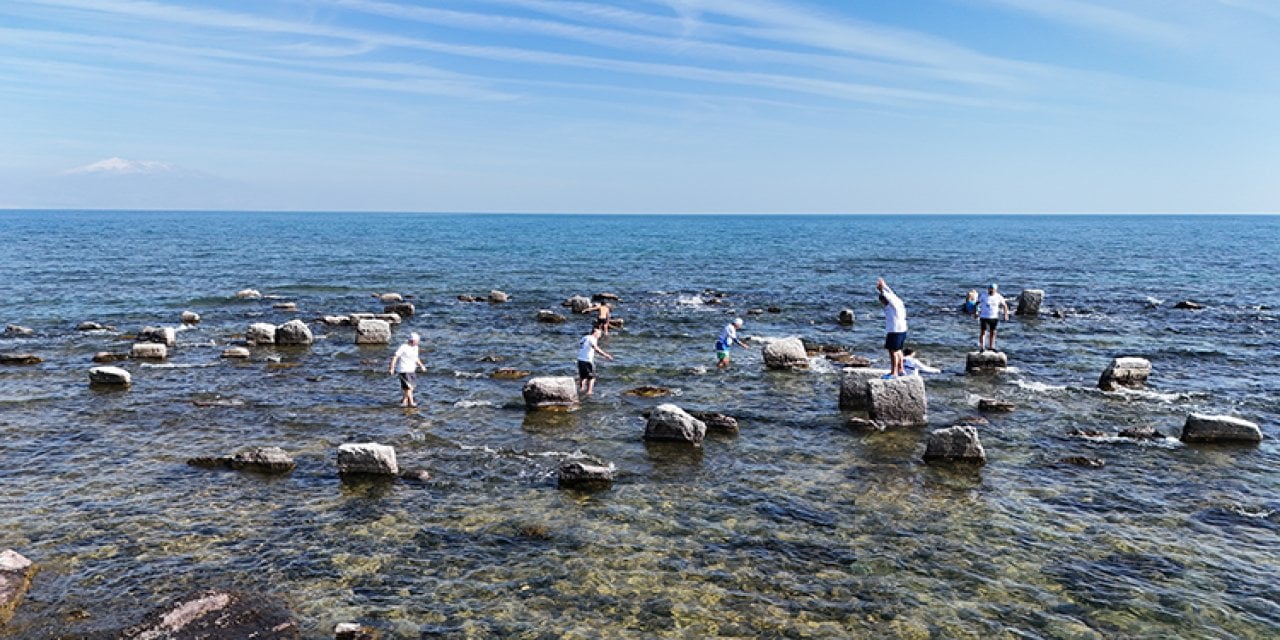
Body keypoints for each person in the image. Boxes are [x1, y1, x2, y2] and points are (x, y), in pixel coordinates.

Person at [876, 277, 907, 378]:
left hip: (895, 330)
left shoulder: (892, 305)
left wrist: (881, 289)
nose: (882, 304)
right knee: (898, 350)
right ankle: (901, 369)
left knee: (892, 351)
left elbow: (888, 295)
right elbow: (891, 293)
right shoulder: (898, 301)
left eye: (882, 301)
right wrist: (884, 285)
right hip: (902, 329)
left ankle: (894, 372)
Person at [388, 332, 426, 407]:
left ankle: (404, 401)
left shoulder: (416, 347)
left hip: (412, 369)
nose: (418, 342)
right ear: (412, 340)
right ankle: (411, 403)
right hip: (403, 370)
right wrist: (391, 368)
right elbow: (395, 357)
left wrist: (421, 365)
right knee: (409, 387)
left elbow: (416, 358)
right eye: (417, 341)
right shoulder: (403, 347)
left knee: (411, 387)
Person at [576, 326, 614, 396]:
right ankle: (589, 392)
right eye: (599, 334)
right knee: (592, 377)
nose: (599, 336)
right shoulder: (592, 338)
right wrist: (606, 355)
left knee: (583, 376)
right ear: (595, 333)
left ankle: (581, 389)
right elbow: (596, 348)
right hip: (587, 361)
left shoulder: (584, 337)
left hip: (580, 359)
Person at [978, 283, 1011, 351]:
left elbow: (1004, 305)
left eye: (993, 289)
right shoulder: (984, 296)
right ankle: (982, 347)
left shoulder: (998, 297)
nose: (991, 291)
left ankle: (991, 347)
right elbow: (977, 303)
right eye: (990, 289)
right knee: (983, 332)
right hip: (984, 316)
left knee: (993, 332)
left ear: (995, 290)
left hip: (994, 317)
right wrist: (975, 312)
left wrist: (1005, 315)